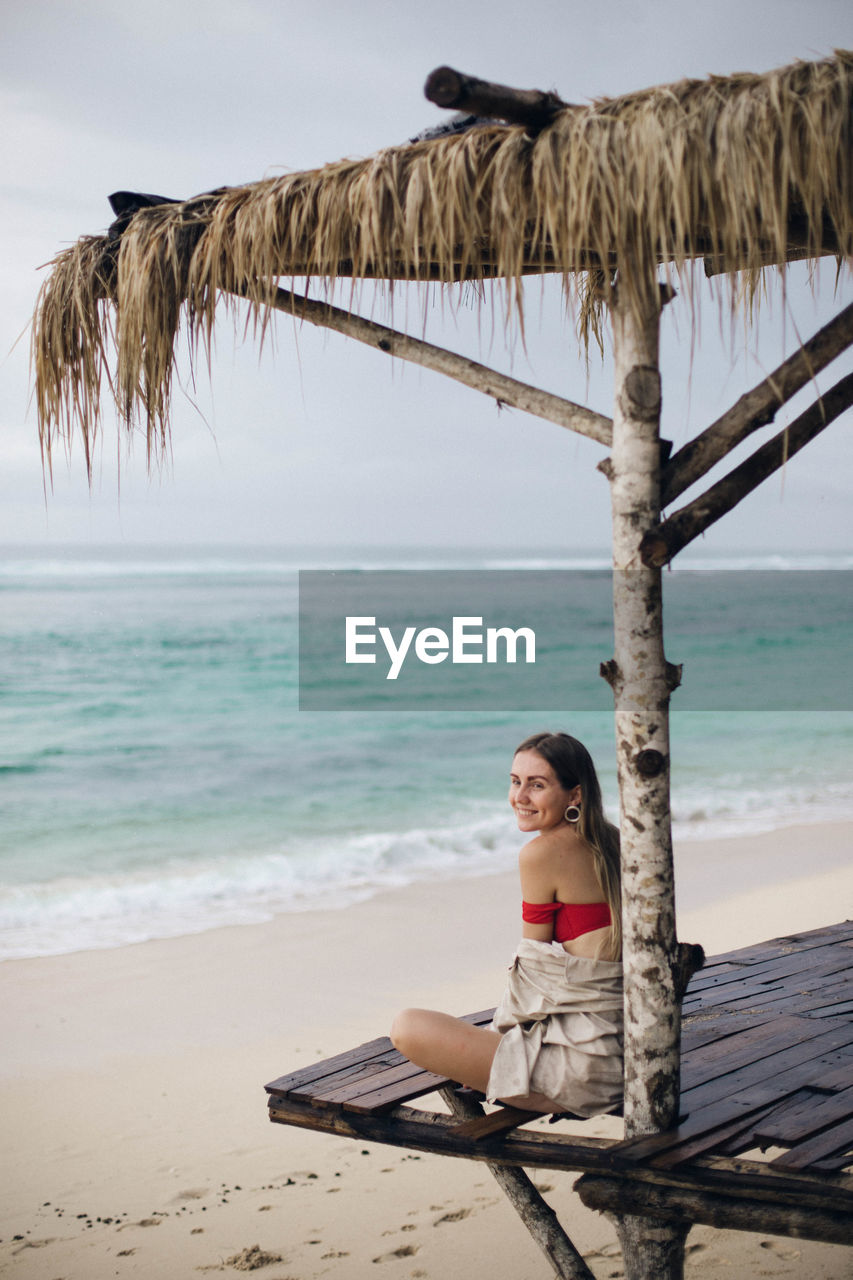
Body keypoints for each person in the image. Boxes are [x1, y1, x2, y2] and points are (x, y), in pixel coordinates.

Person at [390, 731, 623, 1117]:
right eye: (515, 782)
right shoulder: (614, 840)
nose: (520, 797)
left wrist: (497, 1048)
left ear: (574, 794)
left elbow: (531, 977)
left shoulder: (541, 854)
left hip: (582, 1072)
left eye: (537, 785)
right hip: (622, 1048)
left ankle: (525, 1082)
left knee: (407, 1027)